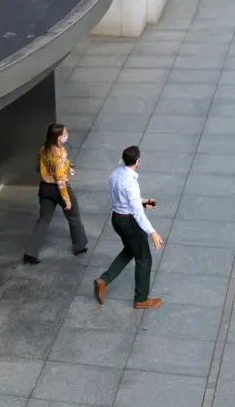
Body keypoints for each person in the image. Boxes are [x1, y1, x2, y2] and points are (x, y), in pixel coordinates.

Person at [94, 145, 163, 309]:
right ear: (138, 161)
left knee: (130, 250)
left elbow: (123, 200)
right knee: (144, 259)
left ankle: (104, 281)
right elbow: (137, 213)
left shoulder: (115, 174)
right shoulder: (131, 183)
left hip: (117, 218)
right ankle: (141, 299)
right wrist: (152, 232)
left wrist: (146, 203)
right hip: (130, 222)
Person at [23, 123, 86, 264]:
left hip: (44, 188)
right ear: (58, 138)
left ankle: (30, 252)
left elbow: (38, 167)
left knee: (43, 219)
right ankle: (79, 246)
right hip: (59, 189)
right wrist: (67, 200)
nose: (66, 135)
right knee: (73, 215)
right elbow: (60, 181)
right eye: (64, 133)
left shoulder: (43, 149)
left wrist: (67, 165)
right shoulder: (60, 155)